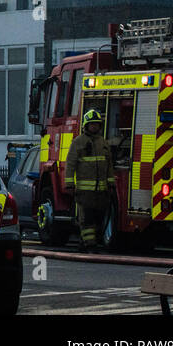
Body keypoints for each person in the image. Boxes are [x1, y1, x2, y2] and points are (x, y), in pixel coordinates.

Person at [65, 108, 114, 252]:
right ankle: (89, 246)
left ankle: (85, 242)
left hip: (101, 191)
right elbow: (71, 163)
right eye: (92, 124)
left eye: (97, 124)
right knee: (87, 219)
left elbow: (109, 164)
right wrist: (69, 184)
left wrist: (111, 183)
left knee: (98, 219)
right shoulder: (78, 142)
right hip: (85, 192)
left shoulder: (103, 143)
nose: (94, 127)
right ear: (86, 125)